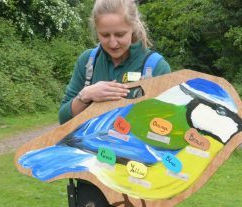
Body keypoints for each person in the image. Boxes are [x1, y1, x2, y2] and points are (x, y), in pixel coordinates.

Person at [58, 0, 171, 206]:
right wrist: (86, 95)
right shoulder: (88, 62)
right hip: (91, 176)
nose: (112, 43)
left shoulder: (155, 67)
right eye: (104, 35)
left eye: (120, 34)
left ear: (133, 27)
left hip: (139, 177)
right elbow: (63, 118)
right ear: (96, 31)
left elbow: (166, 132)